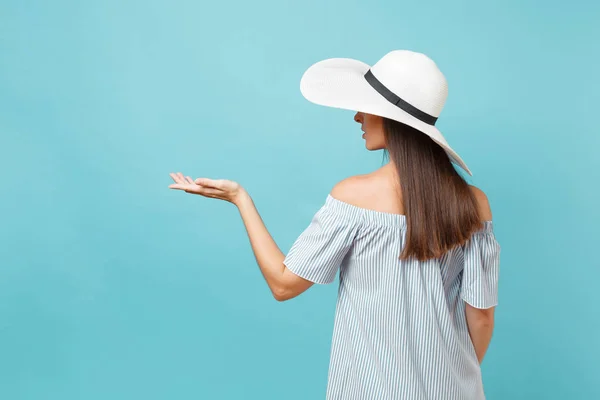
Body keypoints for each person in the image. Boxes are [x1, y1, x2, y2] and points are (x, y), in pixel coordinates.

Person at [168, 50, 501, 400]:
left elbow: (284, 285)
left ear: (392, 120)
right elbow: (481, 318)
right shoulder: (475, 204)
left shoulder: (353, 197)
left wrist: (241, 200)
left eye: (367, 107)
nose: (358, 116)